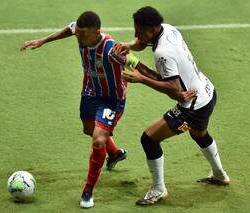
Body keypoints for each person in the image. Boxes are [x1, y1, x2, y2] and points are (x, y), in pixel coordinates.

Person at [112, 6, 230, 205]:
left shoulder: (162, 53)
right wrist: (129, 45)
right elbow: (142, 42)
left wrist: (141, 78)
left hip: (191, 111)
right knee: (198, 133)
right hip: (208, 94)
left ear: (151, 30)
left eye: (138, 31)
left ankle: (158, 189)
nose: (135, 34)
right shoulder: (168, 29)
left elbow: (172, 89)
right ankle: (220, 174)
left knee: (149, 139)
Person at [20, 11, 130, 208]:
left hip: (112, 99)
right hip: (90, 91)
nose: (78, 37)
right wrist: (43, 41)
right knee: (89, 130)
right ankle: (114, 153)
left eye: (83, 34)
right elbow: (70, 28)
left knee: (98, 139)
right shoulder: (80, 32)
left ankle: (88, 191)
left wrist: (167, 84)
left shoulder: (112, 49)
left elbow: (137, 65)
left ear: (97, 32)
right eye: (77, 33)